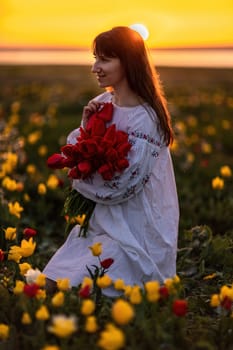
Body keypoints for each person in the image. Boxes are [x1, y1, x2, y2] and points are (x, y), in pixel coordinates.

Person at [43, 26, 179, 296]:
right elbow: (77, 151)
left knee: (76, 291)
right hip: (100, 225)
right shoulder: (102, 104)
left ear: (128, 62)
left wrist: (80, 179)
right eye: (95, 58)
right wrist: (87, 124)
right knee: (49, 285)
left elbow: (121, 186)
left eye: (104, 59)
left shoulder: (148, 118)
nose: (95, 67)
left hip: (135, 231)